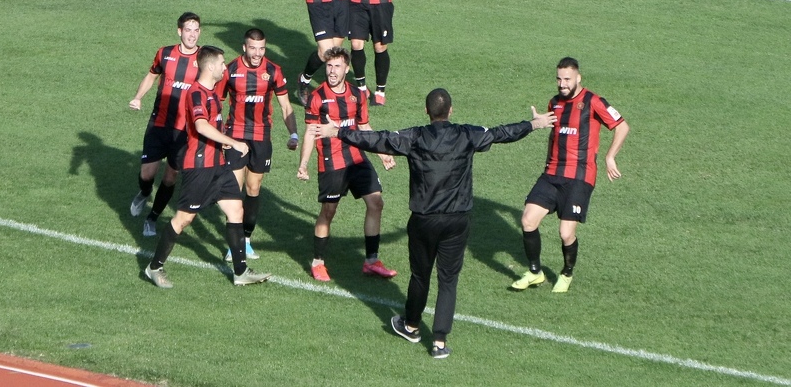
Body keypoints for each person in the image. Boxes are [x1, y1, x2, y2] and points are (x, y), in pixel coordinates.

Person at [313, 88, 556, 358]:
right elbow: (502, 133)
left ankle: (412, 325)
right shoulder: (466, 134)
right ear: (450, 111)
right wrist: (535, 124)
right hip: (457, 220)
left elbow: (377, 139)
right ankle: (439, 343)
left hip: (424, 221)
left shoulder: (415, 137)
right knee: (448, 280)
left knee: (420, 276)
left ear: (427, 111)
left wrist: (338, 132)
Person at [144, 45, 271, 288]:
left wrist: (223, 145)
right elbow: (201, 127)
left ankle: (240, 272)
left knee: (236, 211)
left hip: (219, 166)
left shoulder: (212, 93)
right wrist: (233, 142)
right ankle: (154, 267)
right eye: (222, 64)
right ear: (211, 66)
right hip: (199, 167)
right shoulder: (196, 94)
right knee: (183, 220)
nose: (225, 67)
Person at [512, 57, 630, 293]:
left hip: (580, 176)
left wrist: (610, 157)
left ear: (578, 78)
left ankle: (566, 273)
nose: (562, 84)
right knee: (527, 220)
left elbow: (621, 126)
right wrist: (539, 126)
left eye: (567, 79)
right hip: (553, 172)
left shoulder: (593, 101)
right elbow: (553, 134)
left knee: (566, 233)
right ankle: (535, 272)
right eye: (559, 79)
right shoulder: (554, 102)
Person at [296, 46, 396, 282]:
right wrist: (304, 164)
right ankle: (318, 262)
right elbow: (311, 131)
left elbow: (364, 127)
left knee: (376, 202)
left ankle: (371, 261)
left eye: (337, 66)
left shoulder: (357, 95)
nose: (331, 71)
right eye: (329, 66)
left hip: (357, 158)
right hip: (332, 161)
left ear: (346, 69)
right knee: (329, 211)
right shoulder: (317, 96)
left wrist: (381, 153)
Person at [215, 28, 299, 262]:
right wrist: (220, 136)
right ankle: (234, 245)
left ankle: (247, 240)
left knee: (253, 188)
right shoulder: (230, 70)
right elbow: (217, 104)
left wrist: (293, 133)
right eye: (253, 48)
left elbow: (285, 107)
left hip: (262, 136)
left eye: (261, 49)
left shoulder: (273, 70)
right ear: (244, 47)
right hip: (236, 135)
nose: (257, 53)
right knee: (234, 190)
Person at [129, 12, 200, 237]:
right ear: (179, 31)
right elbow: (152, 75)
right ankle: (144, 193)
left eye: (196, 30)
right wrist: (138, 97)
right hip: (158, 124)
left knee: (170, 178)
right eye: (188, 30)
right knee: (147, 174)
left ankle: (152, 218)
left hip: (185, 131)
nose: (192, 35)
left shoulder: (204, 59)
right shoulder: (165, 53)